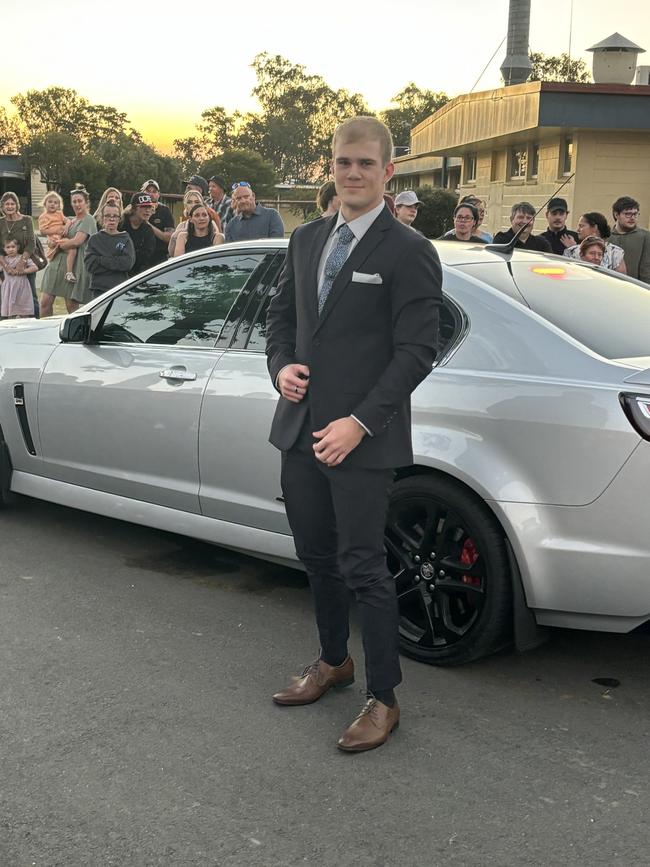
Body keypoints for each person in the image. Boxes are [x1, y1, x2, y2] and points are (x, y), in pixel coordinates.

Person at [265, 116, 442, 753]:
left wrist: (360, 422)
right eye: (344, 162)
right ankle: (333, 661)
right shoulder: (307, 239)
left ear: (388, 172)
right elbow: (281, 319)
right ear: (331, 166)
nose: (354, 174)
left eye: (366, 164)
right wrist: (280, 366)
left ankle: (384, 696)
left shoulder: (408, 251)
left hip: (361, 441)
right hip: (301, 432)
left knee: (364, 567)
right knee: (316, 557)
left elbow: (417, 350)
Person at [40, 186, 97, 316]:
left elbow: (77, 241)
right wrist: (51, 242)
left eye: (79, 201)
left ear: (86, 203)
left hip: (73, 266)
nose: (77, 204)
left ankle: (77, 334)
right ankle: (45, 332)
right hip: (56, 263)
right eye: (74, 201)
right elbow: (52, 234)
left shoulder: (88, 219)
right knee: (45, 302)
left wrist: (58, 245)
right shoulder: (70, 220)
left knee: (71, 305)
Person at [84, 202, 136, 298]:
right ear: (102, 217)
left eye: (115, 216)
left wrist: (100, 259)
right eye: (108, 215)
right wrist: (115, 261)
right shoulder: (94, 239)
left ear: (119, 219)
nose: (111, 219)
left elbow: (127, 263)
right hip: (98, 290)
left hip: (119, 290)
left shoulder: (125, 239)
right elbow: (90, 265)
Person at [0, 191, 39, 316]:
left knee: (31, 296)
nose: (10, 206)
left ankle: (35, 323)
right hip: (7, 265)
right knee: (5, 296)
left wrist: (22, 262)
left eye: (12, 204)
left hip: (26, 262)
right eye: (7, 204)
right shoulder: (1, 222)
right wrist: (6, 267)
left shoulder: (26, 220)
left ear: (17, 205)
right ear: (2, 207)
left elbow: (32, 243)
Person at [168, 190, 221, 257]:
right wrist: (174, 236)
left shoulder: (211, 224)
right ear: (185, 205)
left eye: (197, 202)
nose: (193, 205)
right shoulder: (181, 226)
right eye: (189, 202)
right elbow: (172, 254)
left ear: (202, 204)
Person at [610, 196, 650, 284]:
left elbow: (647, 268)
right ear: (616, 215)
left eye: (635, 214)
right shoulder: (606, 236)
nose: (632, 218)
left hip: (635, 288)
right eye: (627, 214)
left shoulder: (645, 236)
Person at [38, 192, 77, 280]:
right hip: (54, 240)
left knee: (73, 250)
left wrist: (66, 227)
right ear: (45, 204)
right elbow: (43, 231)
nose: (53, 204)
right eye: (50, 202)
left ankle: (69, 272)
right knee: (72, 249)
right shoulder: (43, 216)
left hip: (62, 238)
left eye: (55, 203)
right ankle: (69, 273)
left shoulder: (59, 214)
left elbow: (68, 221)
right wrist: (57, 230)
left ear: (59, 206)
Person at [121, 192, 157, 276]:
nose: (147, 210)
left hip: (137, 274)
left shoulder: (148, 230)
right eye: (143, 206)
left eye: (149, 207)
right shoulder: (120, 224)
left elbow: (146, 256)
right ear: (133, 208)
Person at [140, 179, 175, 266]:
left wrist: (148, 224)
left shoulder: (165, 211)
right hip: (140, 255)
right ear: (142, 192)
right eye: (148, 191)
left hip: (159, 257)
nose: (151, 194)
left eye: (154, 191)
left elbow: (169, 237)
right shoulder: (135, 209)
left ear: (158, 195)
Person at [1, 238, 37, 318]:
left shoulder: (22, 258)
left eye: (13, 247)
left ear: (18, 247)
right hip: (9, 287)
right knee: (10, 310)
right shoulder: (4, 260)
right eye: (8, 247)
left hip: (22, 286)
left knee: (23, 308)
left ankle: (25, 323)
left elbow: (35, 267)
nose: (11, 249)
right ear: (4, 249)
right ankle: (11, 323)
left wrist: (24, 271)